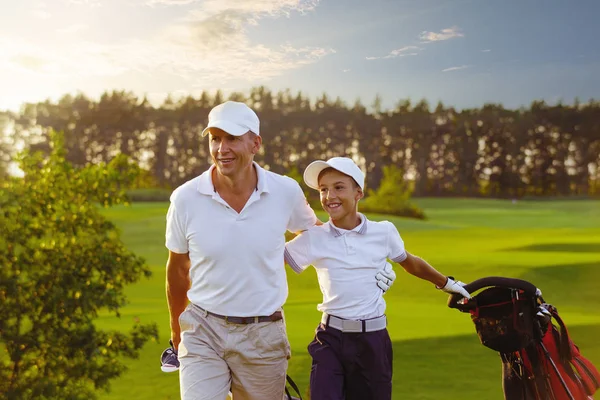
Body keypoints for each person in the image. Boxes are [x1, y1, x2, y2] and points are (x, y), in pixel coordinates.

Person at [164, 102, 396, 400]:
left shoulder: (284, 191)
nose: (222, 148)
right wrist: (176, 330)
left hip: (264, 334)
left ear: (255, 143)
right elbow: (177, 269)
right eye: (215, 138)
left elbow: (320, 236)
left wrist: (368, 262)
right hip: (203, 328)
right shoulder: (185, 198)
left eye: (232, 138)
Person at [284, 157, 471, 400]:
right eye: (323, 189)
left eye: (338, 187)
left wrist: (447, 283)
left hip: (372, 341)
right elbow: (270, 263)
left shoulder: (384, 231)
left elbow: (410, 262)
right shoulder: (314, 237)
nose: (329, 196)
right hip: (329, 338)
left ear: (358, 192)